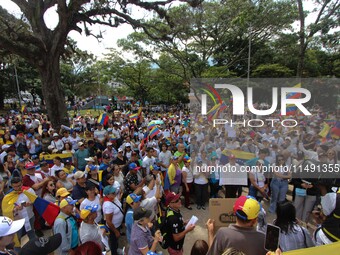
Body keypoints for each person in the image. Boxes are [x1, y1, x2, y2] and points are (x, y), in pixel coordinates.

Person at [102, 185, 124, 255]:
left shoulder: (114, 198)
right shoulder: (108, 205)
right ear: (107, 195)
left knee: (116, 241)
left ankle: (117, 249)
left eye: (114, 192)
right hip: (114, 228)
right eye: (112, 193)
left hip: (118, 225)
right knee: (113, 242)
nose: (115, 193)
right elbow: (109, 221)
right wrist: (116, 231)